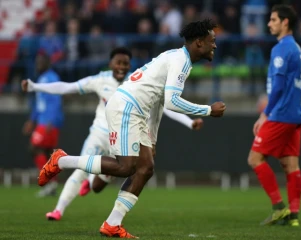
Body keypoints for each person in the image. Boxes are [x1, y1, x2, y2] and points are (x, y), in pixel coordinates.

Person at [38, 19, 226, 238]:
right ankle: (61, 160)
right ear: (199, 42)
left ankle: (112, 224)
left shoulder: (176, 57)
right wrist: (208, 110)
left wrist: (152, 139)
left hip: (133, 109)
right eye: (212, 40)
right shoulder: (181, 61)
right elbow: (173, 101)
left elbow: (159, 102)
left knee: (145, 168)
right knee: (126, 167)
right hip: (126, 107)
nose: (215, 45)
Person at [22, 47, 204, 221]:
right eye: (118, 63)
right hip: (99, 133)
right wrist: (34, 87)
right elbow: (67, 87)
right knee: (81, 171)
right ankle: (58, 210)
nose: (122, 67)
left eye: (125, 64)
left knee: (102, 184)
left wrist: (189, 122)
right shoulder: (100, 80)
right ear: (110, 64)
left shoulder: (135, 81)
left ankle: (93, 182)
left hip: (122, 135)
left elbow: (163, 105)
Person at [247, 4, 301, 227]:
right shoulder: (296, 48)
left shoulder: (281, 48)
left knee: (254, 158)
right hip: (296, 114)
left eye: (273, 20)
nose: (269, 24)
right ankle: (294, 216)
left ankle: (279, 207)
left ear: (285, 22)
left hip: (281, 114)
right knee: (291, 165)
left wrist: (265, 114)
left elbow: (279, 85)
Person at [22, 52, 64, 197]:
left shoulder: (52, 78)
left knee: (35, 148)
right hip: (42, 121)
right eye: (37, 62)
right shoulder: (41, 79)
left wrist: (49, 121)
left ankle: (49, 182)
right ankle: (52, 184)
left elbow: (55, 101)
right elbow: (39, 104)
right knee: (46, 153)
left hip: (48, 122)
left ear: (47, 63)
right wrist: (32, 120)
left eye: (40, 62)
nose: (37, 65)